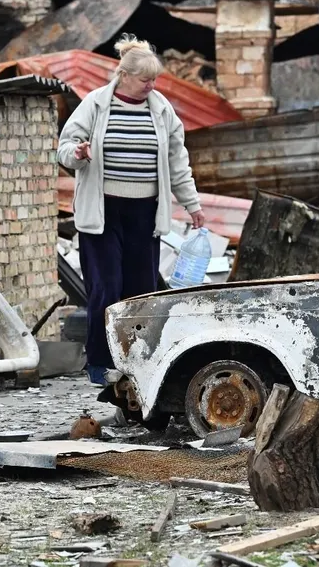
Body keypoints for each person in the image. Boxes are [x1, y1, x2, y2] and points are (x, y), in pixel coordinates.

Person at [57, 35, 206, 385]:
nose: (151, 86)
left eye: (155, 80)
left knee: (141, 291)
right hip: (103, 212)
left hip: (144, 213)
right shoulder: (95, 104)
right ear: (123, 75)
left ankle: (139, 362)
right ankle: (98, 361)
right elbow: (63, 148)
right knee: (106, 288)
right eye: (145, 80)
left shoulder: (161, 110)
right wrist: (77, 153)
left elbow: (177, 162)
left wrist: (193, 206)